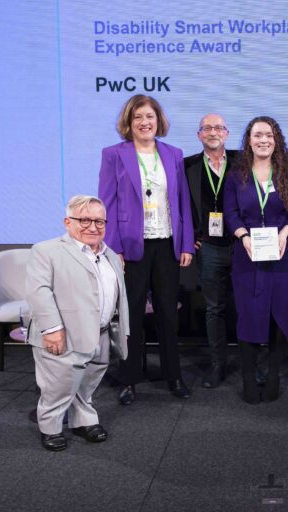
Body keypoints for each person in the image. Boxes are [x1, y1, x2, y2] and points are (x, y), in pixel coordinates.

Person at [98, 94, 195, 404]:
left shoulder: (174, 154)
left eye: (149, 117)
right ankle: (129, 379)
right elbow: (107, 204)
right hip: (130, 247)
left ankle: (173, 376)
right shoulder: (114, 155)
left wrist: (185, 242)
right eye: (138, 117)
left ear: (158, 121)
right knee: (132, 316)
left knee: (169, 314)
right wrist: (114, 248)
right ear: (129, 122)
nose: (144, 122)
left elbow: (183, 204)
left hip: (167, 244)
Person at [26, 195, 129, 451]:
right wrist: (52, 330)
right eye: (84, 219)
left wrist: (121, 330)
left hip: (101, 333)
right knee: (59, 385)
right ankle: (50, 427)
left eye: (99, 221)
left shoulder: (111, 255)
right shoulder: (46, 250)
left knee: (87, 384)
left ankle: (83, 421)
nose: (93, 226)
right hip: (64, 334)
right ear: (67, 222)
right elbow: (38, 291)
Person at [223, 116, 288, 404]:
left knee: (280, 314)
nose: (263, 140)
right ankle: (248, 377)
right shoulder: (237, 175)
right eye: (257, 135)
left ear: (276, 139)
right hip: (248, 254)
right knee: (248, 314)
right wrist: (243, 236)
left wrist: (285, 233)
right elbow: (231, 213)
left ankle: (273, 375)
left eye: (268, 135)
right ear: (249, 140)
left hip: (284, 253)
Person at [183, 114, 240, 388]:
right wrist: (188, 236)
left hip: (243, 246)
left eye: (218, 127)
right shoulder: (188, 166)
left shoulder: (244, 161)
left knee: (247, 307)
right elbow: (177, 205)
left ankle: (250, 364)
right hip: (208, 247)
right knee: (214, 309)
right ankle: (218, 365)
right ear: (199, 135)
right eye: (207, 128)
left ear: (227, 134)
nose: (213, 132)